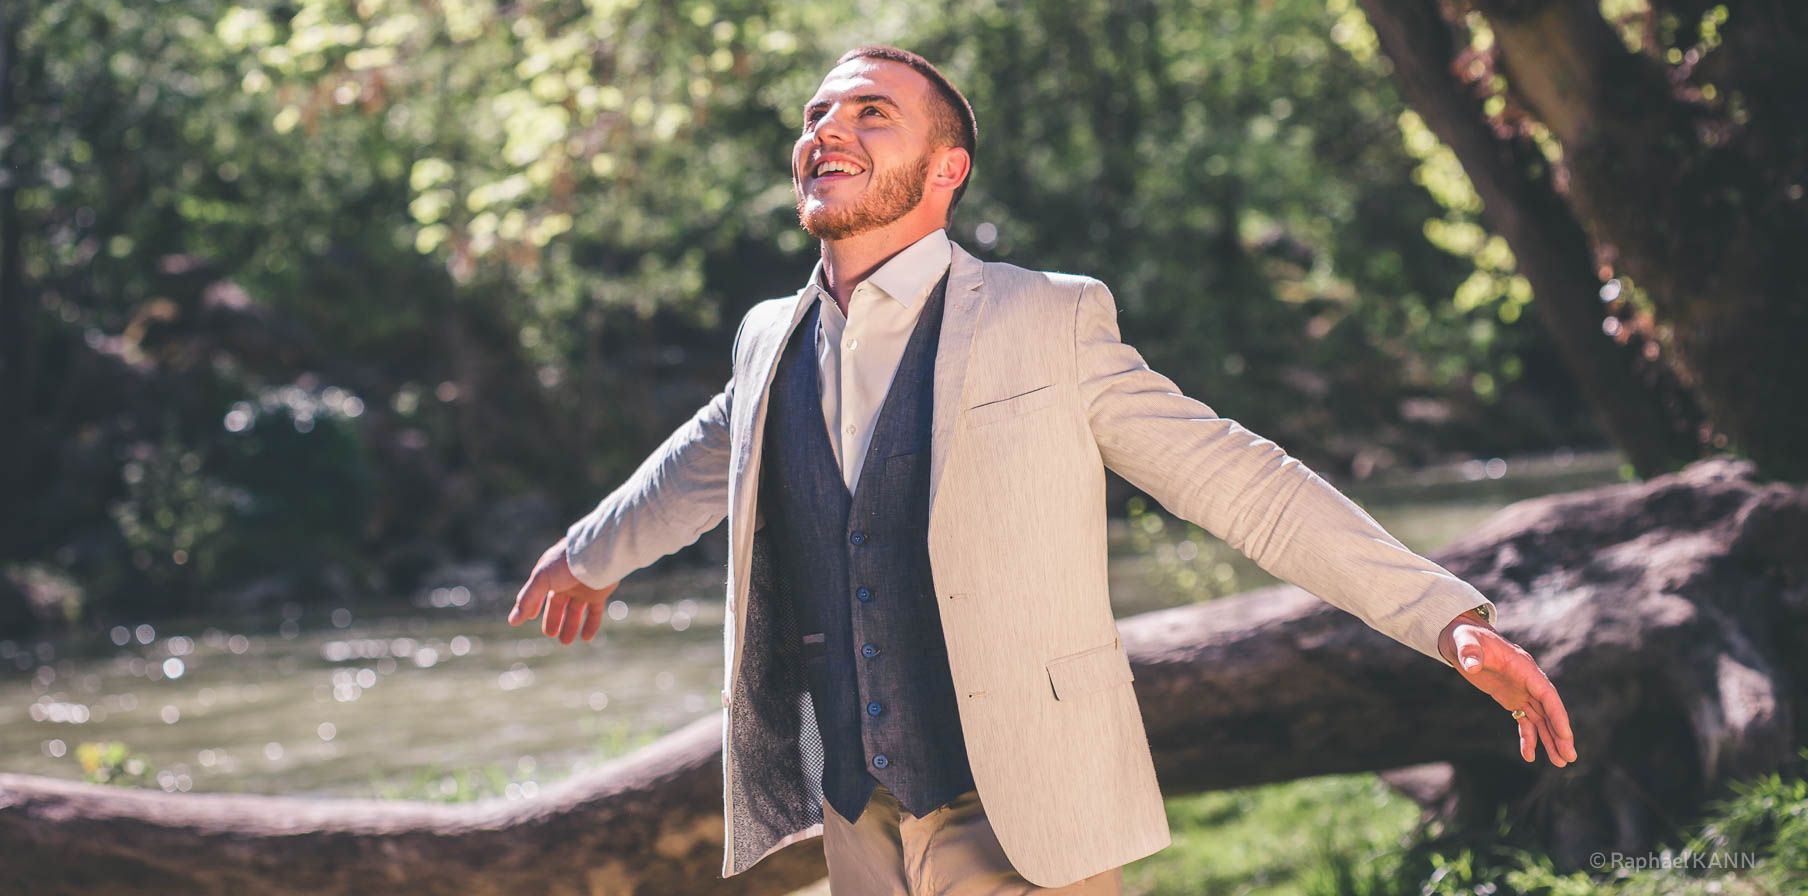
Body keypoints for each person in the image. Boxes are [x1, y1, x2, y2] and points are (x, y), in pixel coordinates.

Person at [507, 45, 1576, 894]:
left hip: (1021, 807)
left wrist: (1444, 616)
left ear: (946, 169)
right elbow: (708, 453)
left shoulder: (1047, 315)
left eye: (869, 111)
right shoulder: (765, 337)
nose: (826, 127)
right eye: (816, 115)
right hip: (855, 812)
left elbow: (1238, 479)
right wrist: (589, 553)